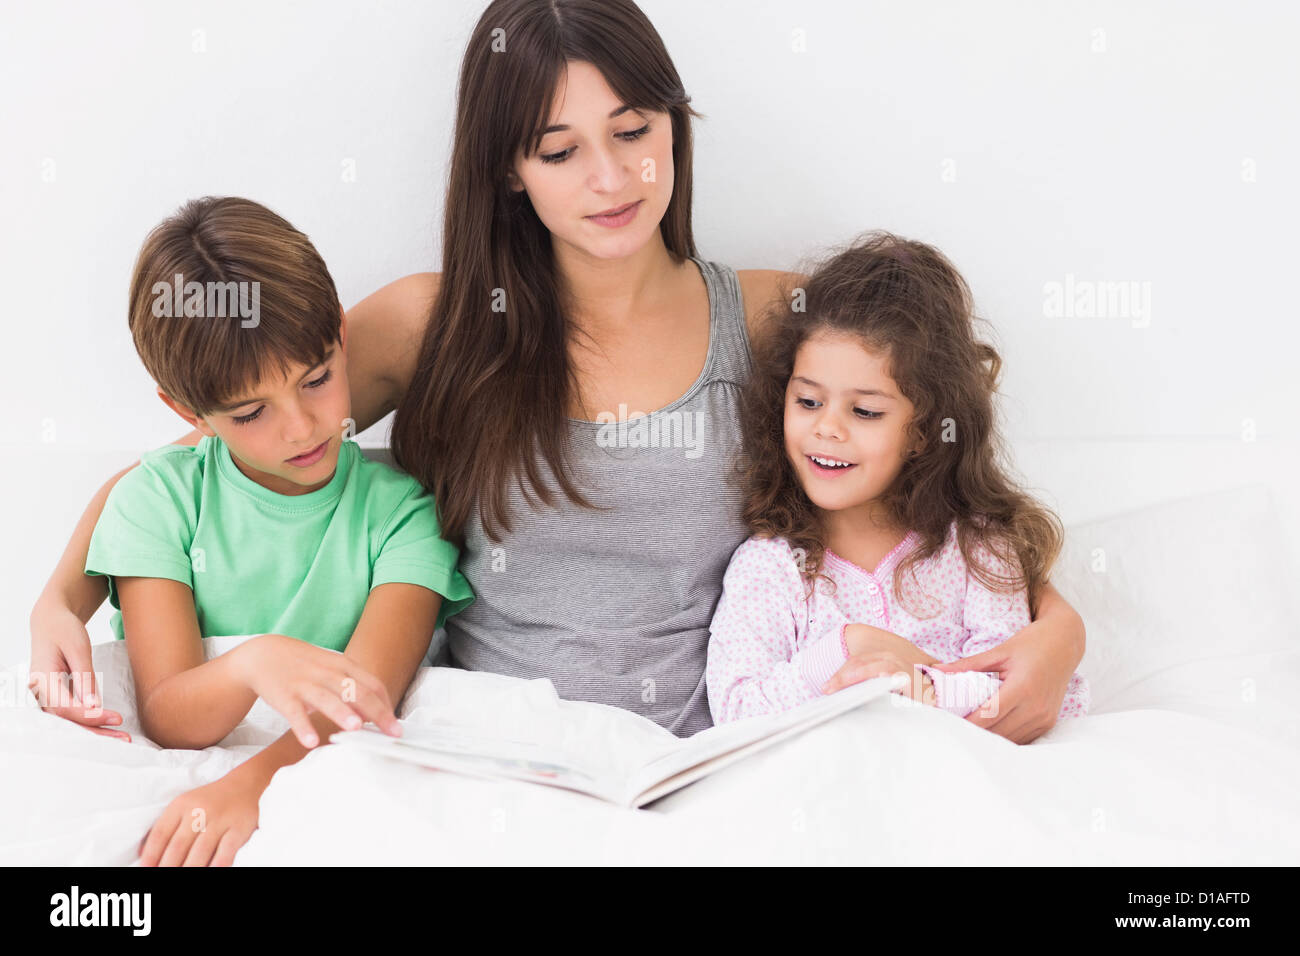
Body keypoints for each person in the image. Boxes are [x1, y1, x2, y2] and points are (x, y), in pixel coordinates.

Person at [29, 0, 1085, 747]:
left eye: (634, 131)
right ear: (507, 167)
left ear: (673, 122)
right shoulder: (429, 321)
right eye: (560, 149)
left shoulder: (770, 317)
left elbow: (926, 472)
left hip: (712, 756)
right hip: (488, 749)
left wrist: (1056, 630)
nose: (614, 178)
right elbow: (226, 439)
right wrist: (56, 599)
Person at [82, 196, 474, 865]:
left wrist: (252, 788)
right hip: (197, 772)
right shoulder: (157, 503)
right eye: (250, 412)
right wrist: (255, 662)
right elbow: (171, 717)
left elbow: (364, 702)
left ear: (344, 341)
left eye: (317, 379)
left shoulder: (405, 514)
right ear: (190, 412)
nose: (300, 427)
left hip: (320, 769)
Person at [706, 233, 1090, 726]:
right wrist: (842, 652)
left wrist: (913, 690)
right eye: (807, 402)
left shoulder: (978, 550)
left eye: (865, 411)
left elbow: (1011, 685)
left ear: (925, 431)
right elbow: (735, 713)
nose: (827, 427)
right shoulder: (771, 568)